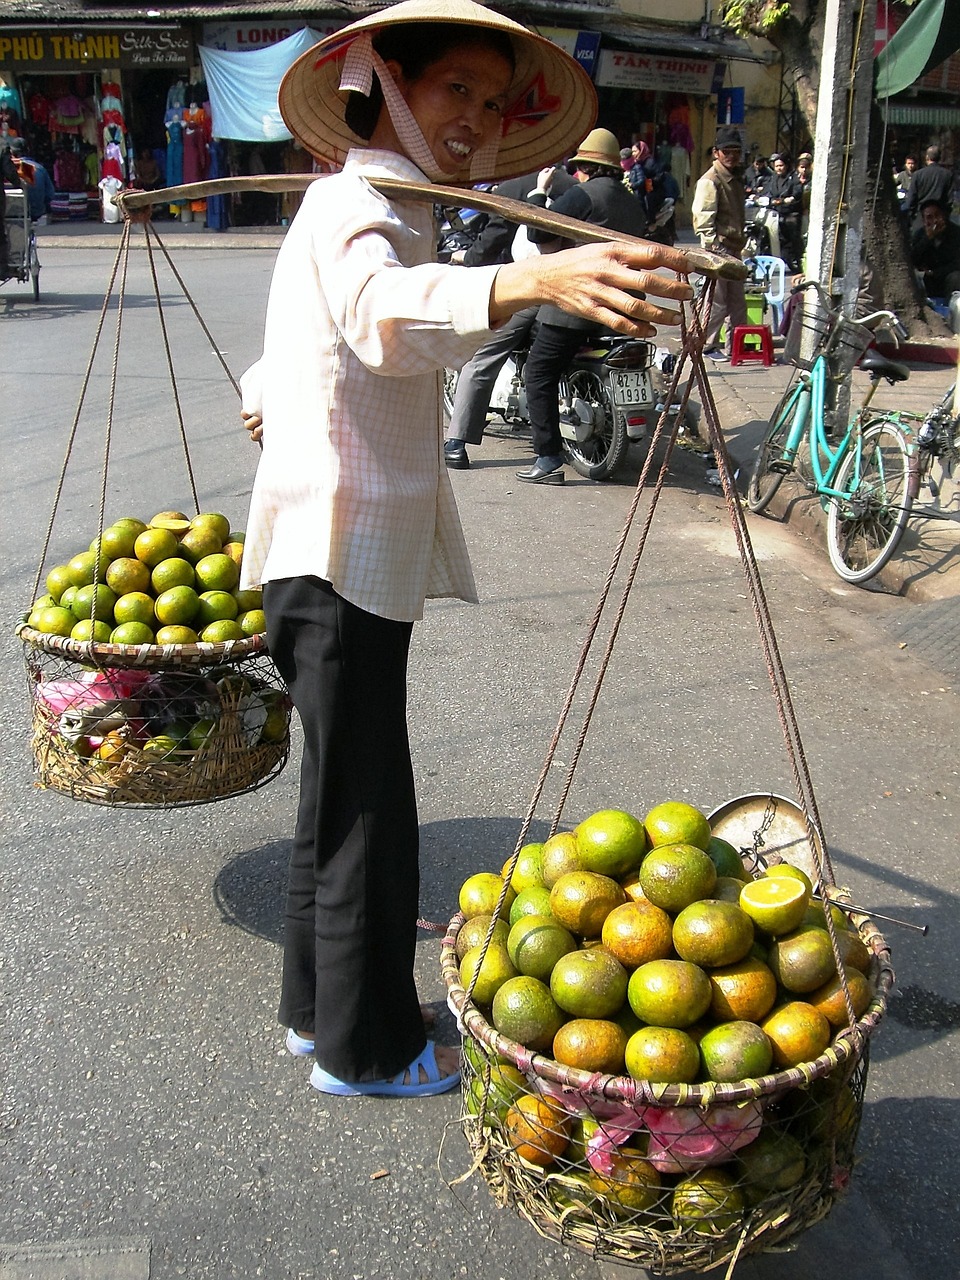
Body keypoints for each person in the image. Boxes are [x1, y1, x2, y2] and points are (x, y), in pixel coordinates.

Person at [236, 0, 695, 1098]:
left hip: (335, 550)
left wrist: (279, 398)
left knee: (340, 796)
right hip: (337, 553)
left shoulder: (380, 206)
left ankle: (318, 1012)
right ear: (384, 82)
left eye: (492, 101)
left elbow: (299, 347)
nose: (475, 117)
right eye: (454, 90)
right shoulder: (358, 206)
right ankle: (371, 1047)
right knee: (367, 814)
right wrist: (529, 279)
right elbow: (378, 313)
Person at [515, 126, 649, 484]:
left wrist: (539, 194)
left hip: (580, 303)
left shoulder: (581, 195)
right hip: (625, 305)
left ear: (583, 166)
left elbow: (537, 232)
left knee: (538, 371)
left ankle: (546, 458)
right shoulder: (632, 201)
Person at [443, 164, 574, 470]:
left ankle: (456, 442)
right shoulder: (575, 187)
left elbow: (490, 245)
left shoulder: (512, 189)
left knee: (481, 357)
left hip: (534, 287)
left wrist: (466, 257)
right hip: (574, 290)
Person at [691, 125, 747, 362]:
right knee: (716, 301)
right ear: (716, 152)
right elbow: (703, 218)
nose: (732, 156)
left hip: (734, 247)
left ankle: (738, 346)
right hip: (720, 248)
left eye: (736, 151)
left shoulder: (734, 179)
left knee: (737, 303)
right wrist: (713, 249)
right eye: (727, 152)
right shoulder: (710, 180)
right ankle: (708, 344)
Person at [910, 199, 960, 300]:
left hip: (947, 278)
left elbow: (957, 263)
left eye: (937, 215)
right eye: (929, 217)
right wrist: (928, 239)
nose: (935, 221)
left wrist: (934, 273)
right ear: (924, 221)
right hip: (927, 282)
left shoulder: (956, 233)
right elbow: (913, 259)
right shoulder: (920, 235)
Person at [903, 144, 954, 228]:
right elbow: (950, 200)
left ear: (927, 157)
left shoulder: (918, 175)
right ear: (940, 157)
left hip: (921, 216)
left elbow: (911, 199)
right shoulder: (947, 175)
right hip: (940, 216)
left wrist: (912, 216)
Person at [768, 152, 803, 270]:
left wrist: (790, 199)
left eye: (781, 165)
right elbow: (768, 191)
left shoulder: (793, 177)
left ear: (786, 165)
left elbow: (797, 191)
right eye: (776, 166)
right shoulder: (773, 178)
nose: (778, 168)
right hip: (776, 211)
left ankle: (798, 261)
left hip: (791, 212)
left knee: (793, 235)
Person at [8, 137, 53, 223]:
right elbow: (50, 194)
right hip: (37, 212)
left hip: (14, 212)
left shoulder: (10, 168)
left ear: (12, 153)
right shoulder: (40, 168)